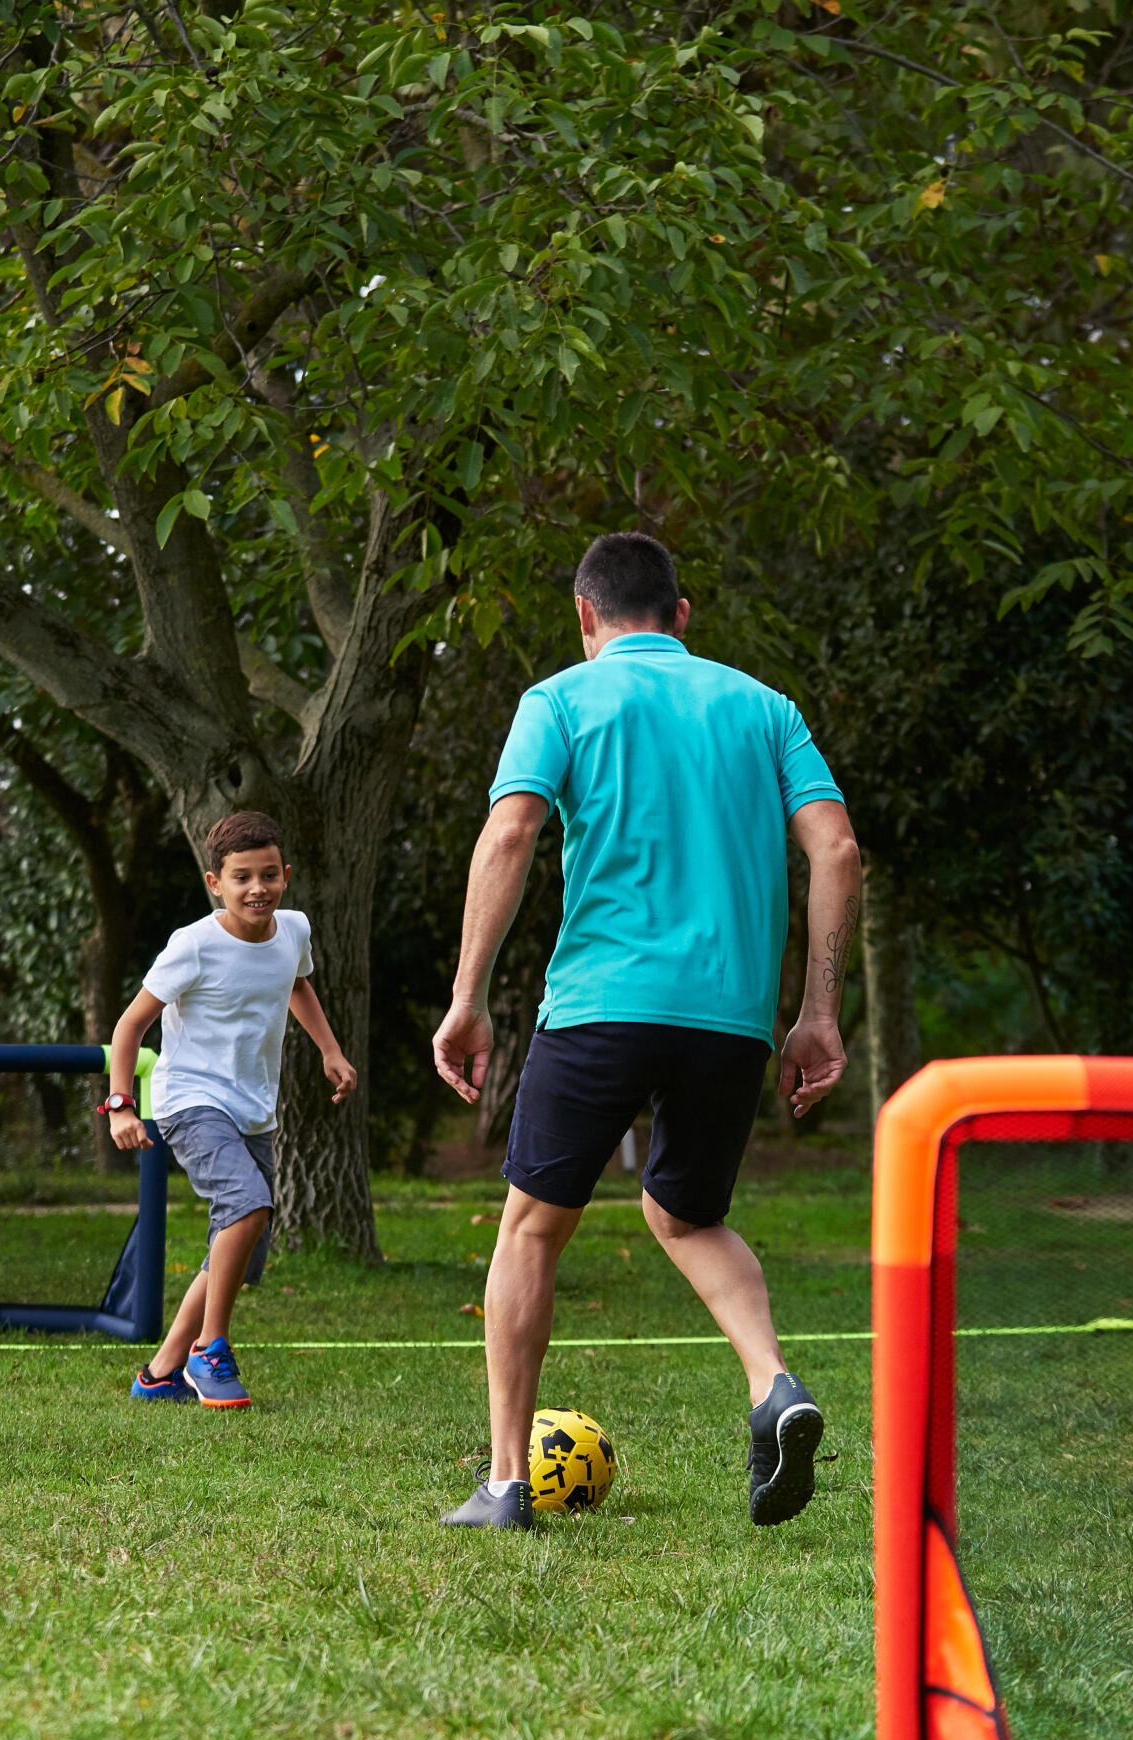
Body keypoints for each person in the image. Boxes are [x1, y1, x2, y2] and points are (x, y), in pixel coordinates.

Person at [432, 531, 861, 1531]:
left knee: (533, 1225)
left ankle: (504, 1482)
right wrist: (817, 1011)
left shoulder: (560, 700)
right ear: (681, 613)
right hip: (731, 1017)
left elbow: (510, 831)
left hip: (602, 1004)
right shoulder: (765, 708)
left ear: (586, 614)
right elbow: (836, 847)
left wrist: (466, 993)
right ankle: (773, 1382)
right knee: (687, 1214)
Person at [101, 810, 357, 1409]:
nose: (257, 888)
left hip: (254, 1111)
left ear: (286, 875)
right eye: (241, 877)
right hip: (189, 1100)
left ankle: (159, 1374)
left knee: (237, 1253)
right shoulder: (192, 946)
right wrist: (121, 1104)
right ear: (215, 882)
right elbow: (130, 1025)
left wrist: (330, 1050)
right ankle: (208, 1350)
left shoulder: (294, 930)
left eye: (269, 875)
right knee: (247, 1204)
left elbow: (297, 984)